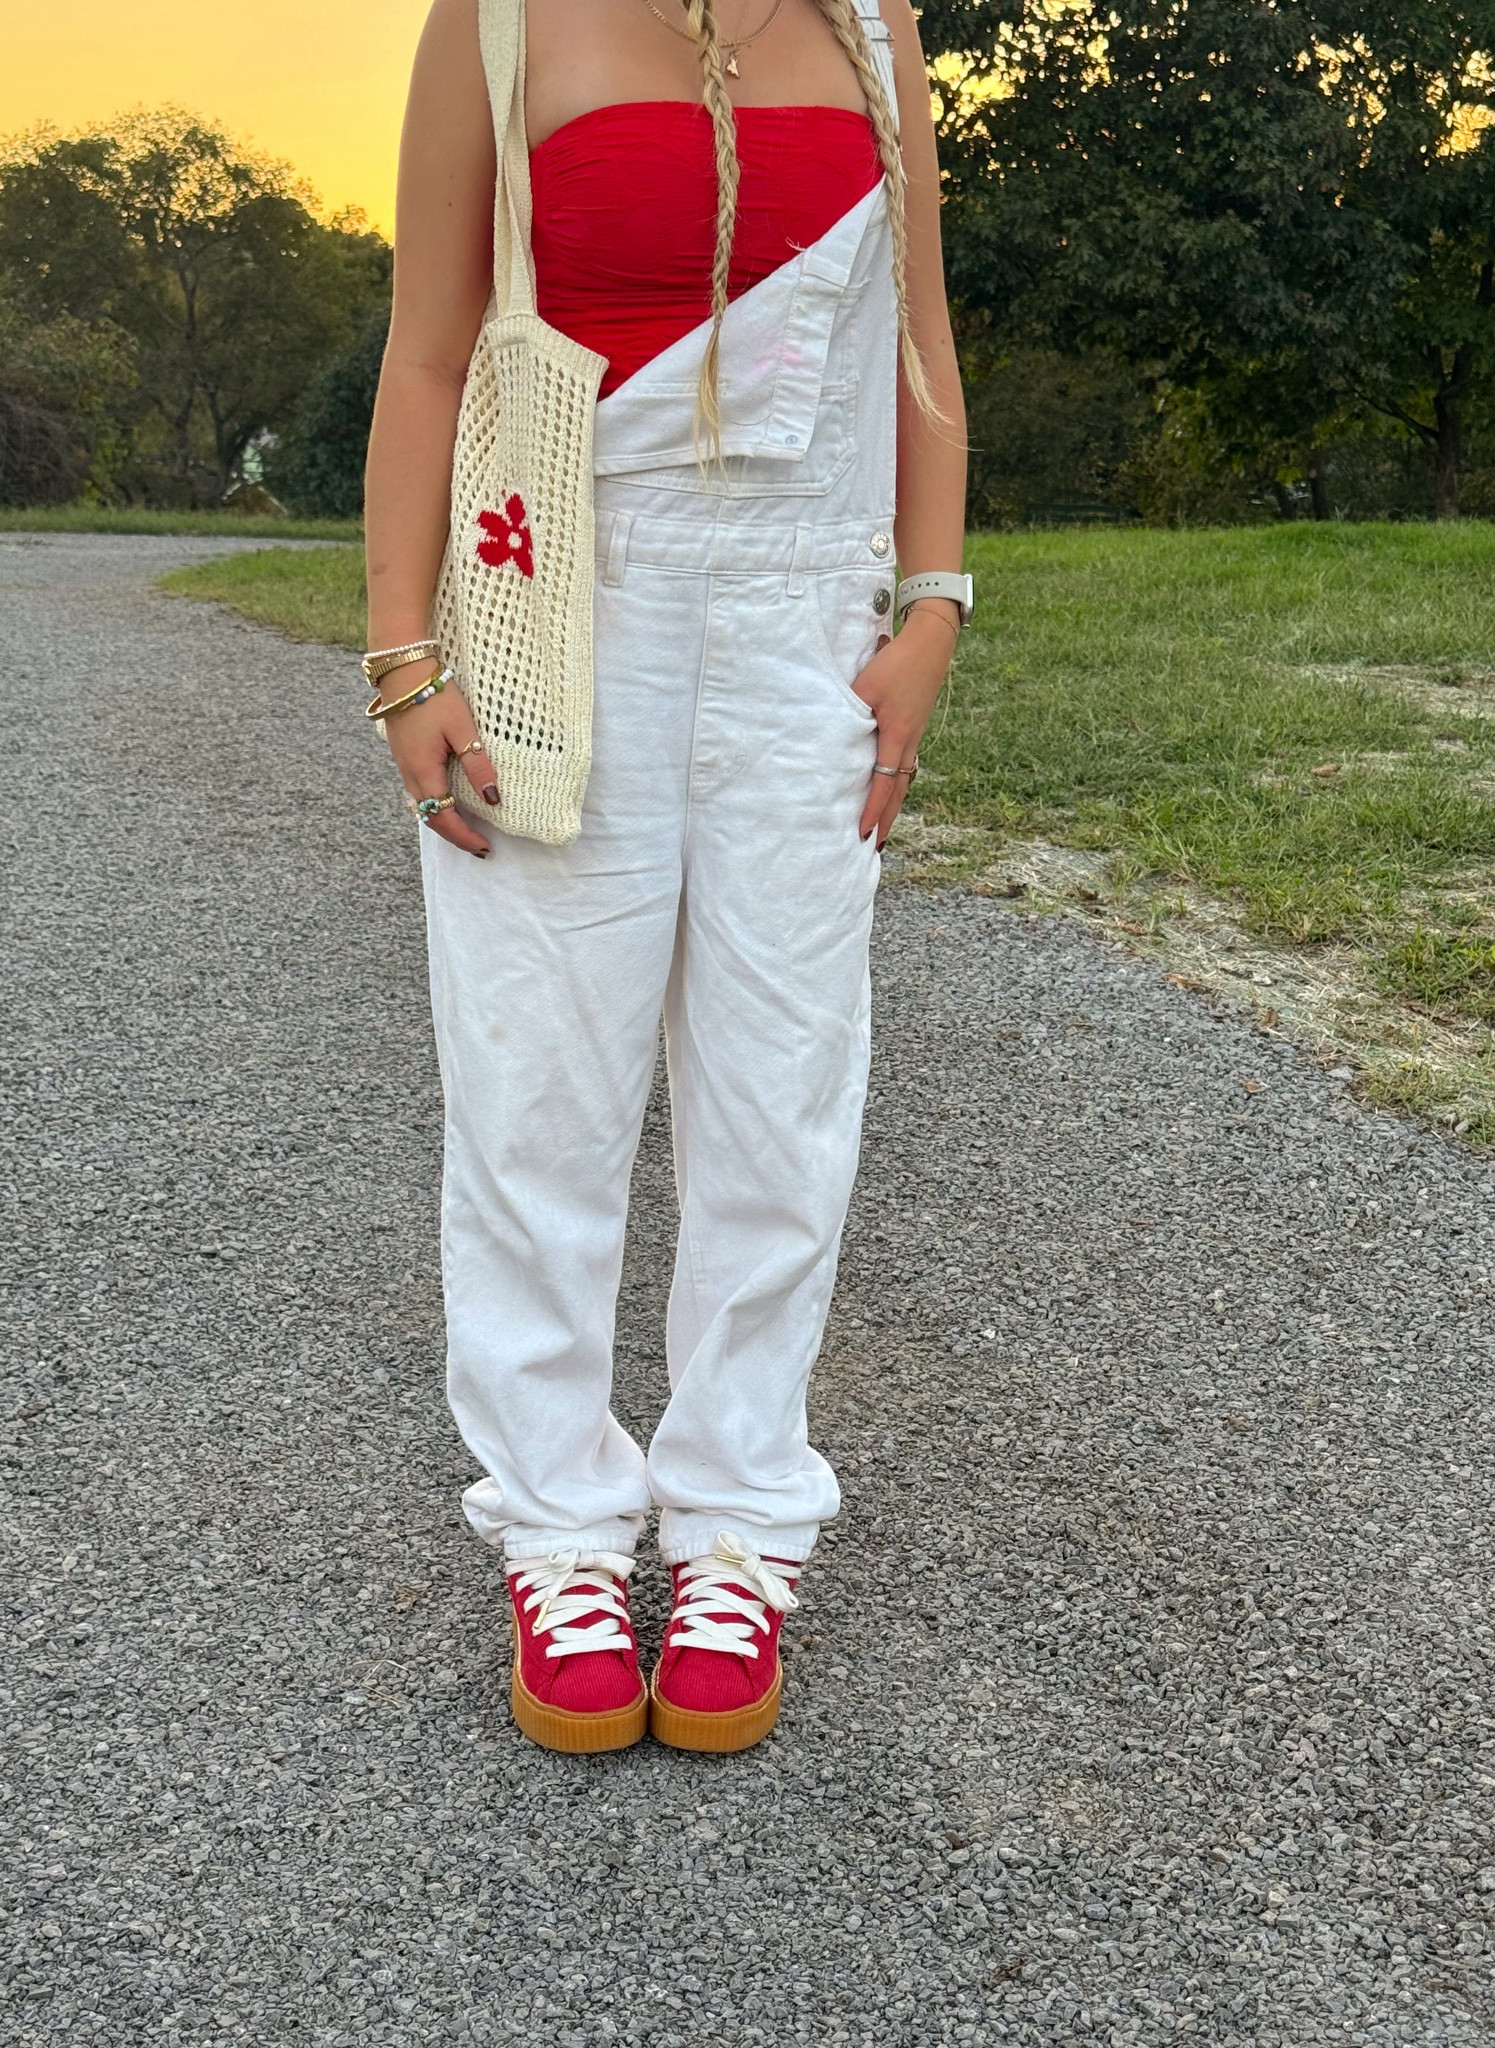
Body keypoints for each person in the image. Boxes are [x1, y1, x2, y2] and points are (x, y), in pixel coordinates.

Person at [363, 0, 969, 1755]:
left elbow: (918, 345)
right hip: (567, 598)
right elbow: (427, 351)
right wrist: (407, 653)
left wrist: (932, 607)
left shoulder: (871, 28)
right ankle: (558, 1524)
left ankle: (734, 1519)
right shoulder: (497, 21)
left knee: (783, 1096)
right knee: (538, 1096)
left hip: (805, 624)